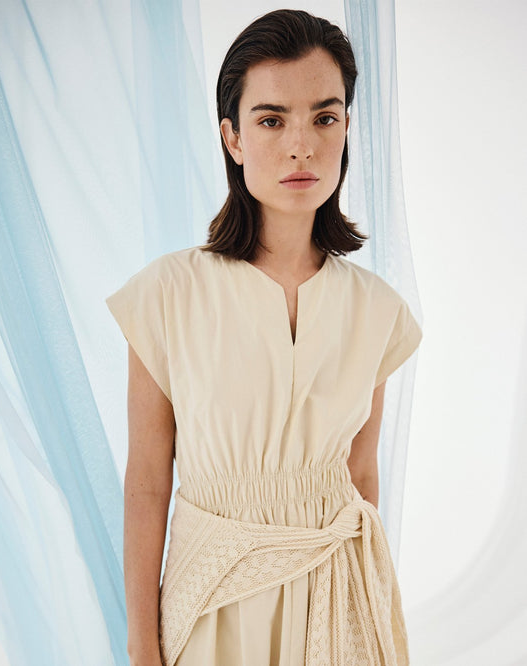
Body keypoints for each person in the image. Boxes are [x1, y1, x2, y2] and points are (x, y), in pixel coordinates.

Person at [105, 8, 422, 666]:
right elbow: (147, 482)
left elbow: (361, 476)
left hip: (338, 599)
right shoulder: (167, 294)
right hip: (212, 601)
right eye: (272, 120)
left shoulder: (376, 309)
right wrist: (140, 643)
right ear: (233, 138)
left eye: (324, 118)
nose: (301, 145)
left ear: (346, 128)